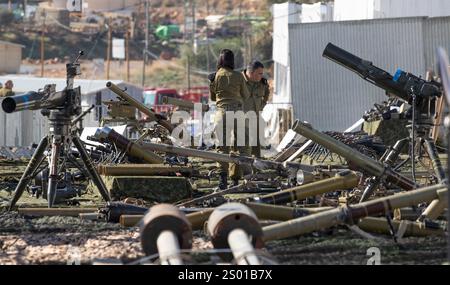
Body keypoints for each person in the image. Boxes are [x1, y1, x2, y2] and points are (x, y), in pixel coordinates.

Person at [209, 49, 249, 189]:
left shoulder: (215, 76)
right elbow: (246, 94)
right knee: (243, 147)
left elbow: (213, 98)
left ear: (220, 60)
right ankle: (248, 177)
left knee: (222, 148)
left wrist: (212, 83)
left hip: (221, 114)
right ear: (232, 61)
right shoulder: (238, 76)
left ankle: (222, 181)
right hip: (237, 112)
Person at [242, 60, 270, 158]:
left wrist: (262, 105)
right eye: (259, 74)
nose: (261, 76)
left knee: (257, 145)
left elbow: (267, 92)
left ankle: (256, 166)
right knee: (243, 146)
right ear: (251, 73)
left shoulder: (262, 83)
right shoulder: (238, 81)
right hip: (241, 118)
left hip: (256, 117)